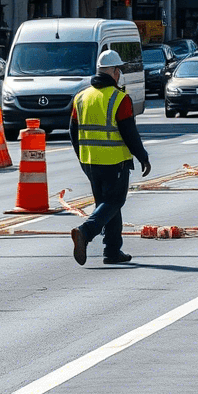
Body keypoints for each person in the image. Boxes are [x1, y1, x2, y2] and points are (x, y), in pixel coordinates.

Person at [69, 49, 151, 266]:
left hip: (90, 162)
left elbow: (73, 133)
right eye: (119, 70)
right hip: (114, 161)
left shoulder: (81, 97)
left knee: (107, 206)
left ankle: (112, 251)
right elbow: (129, 133)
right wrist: (142, 156)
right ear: (115, 72)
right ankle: (85, 233)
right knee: (114, 201)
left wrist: (83, 158)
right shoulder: (119, 99)